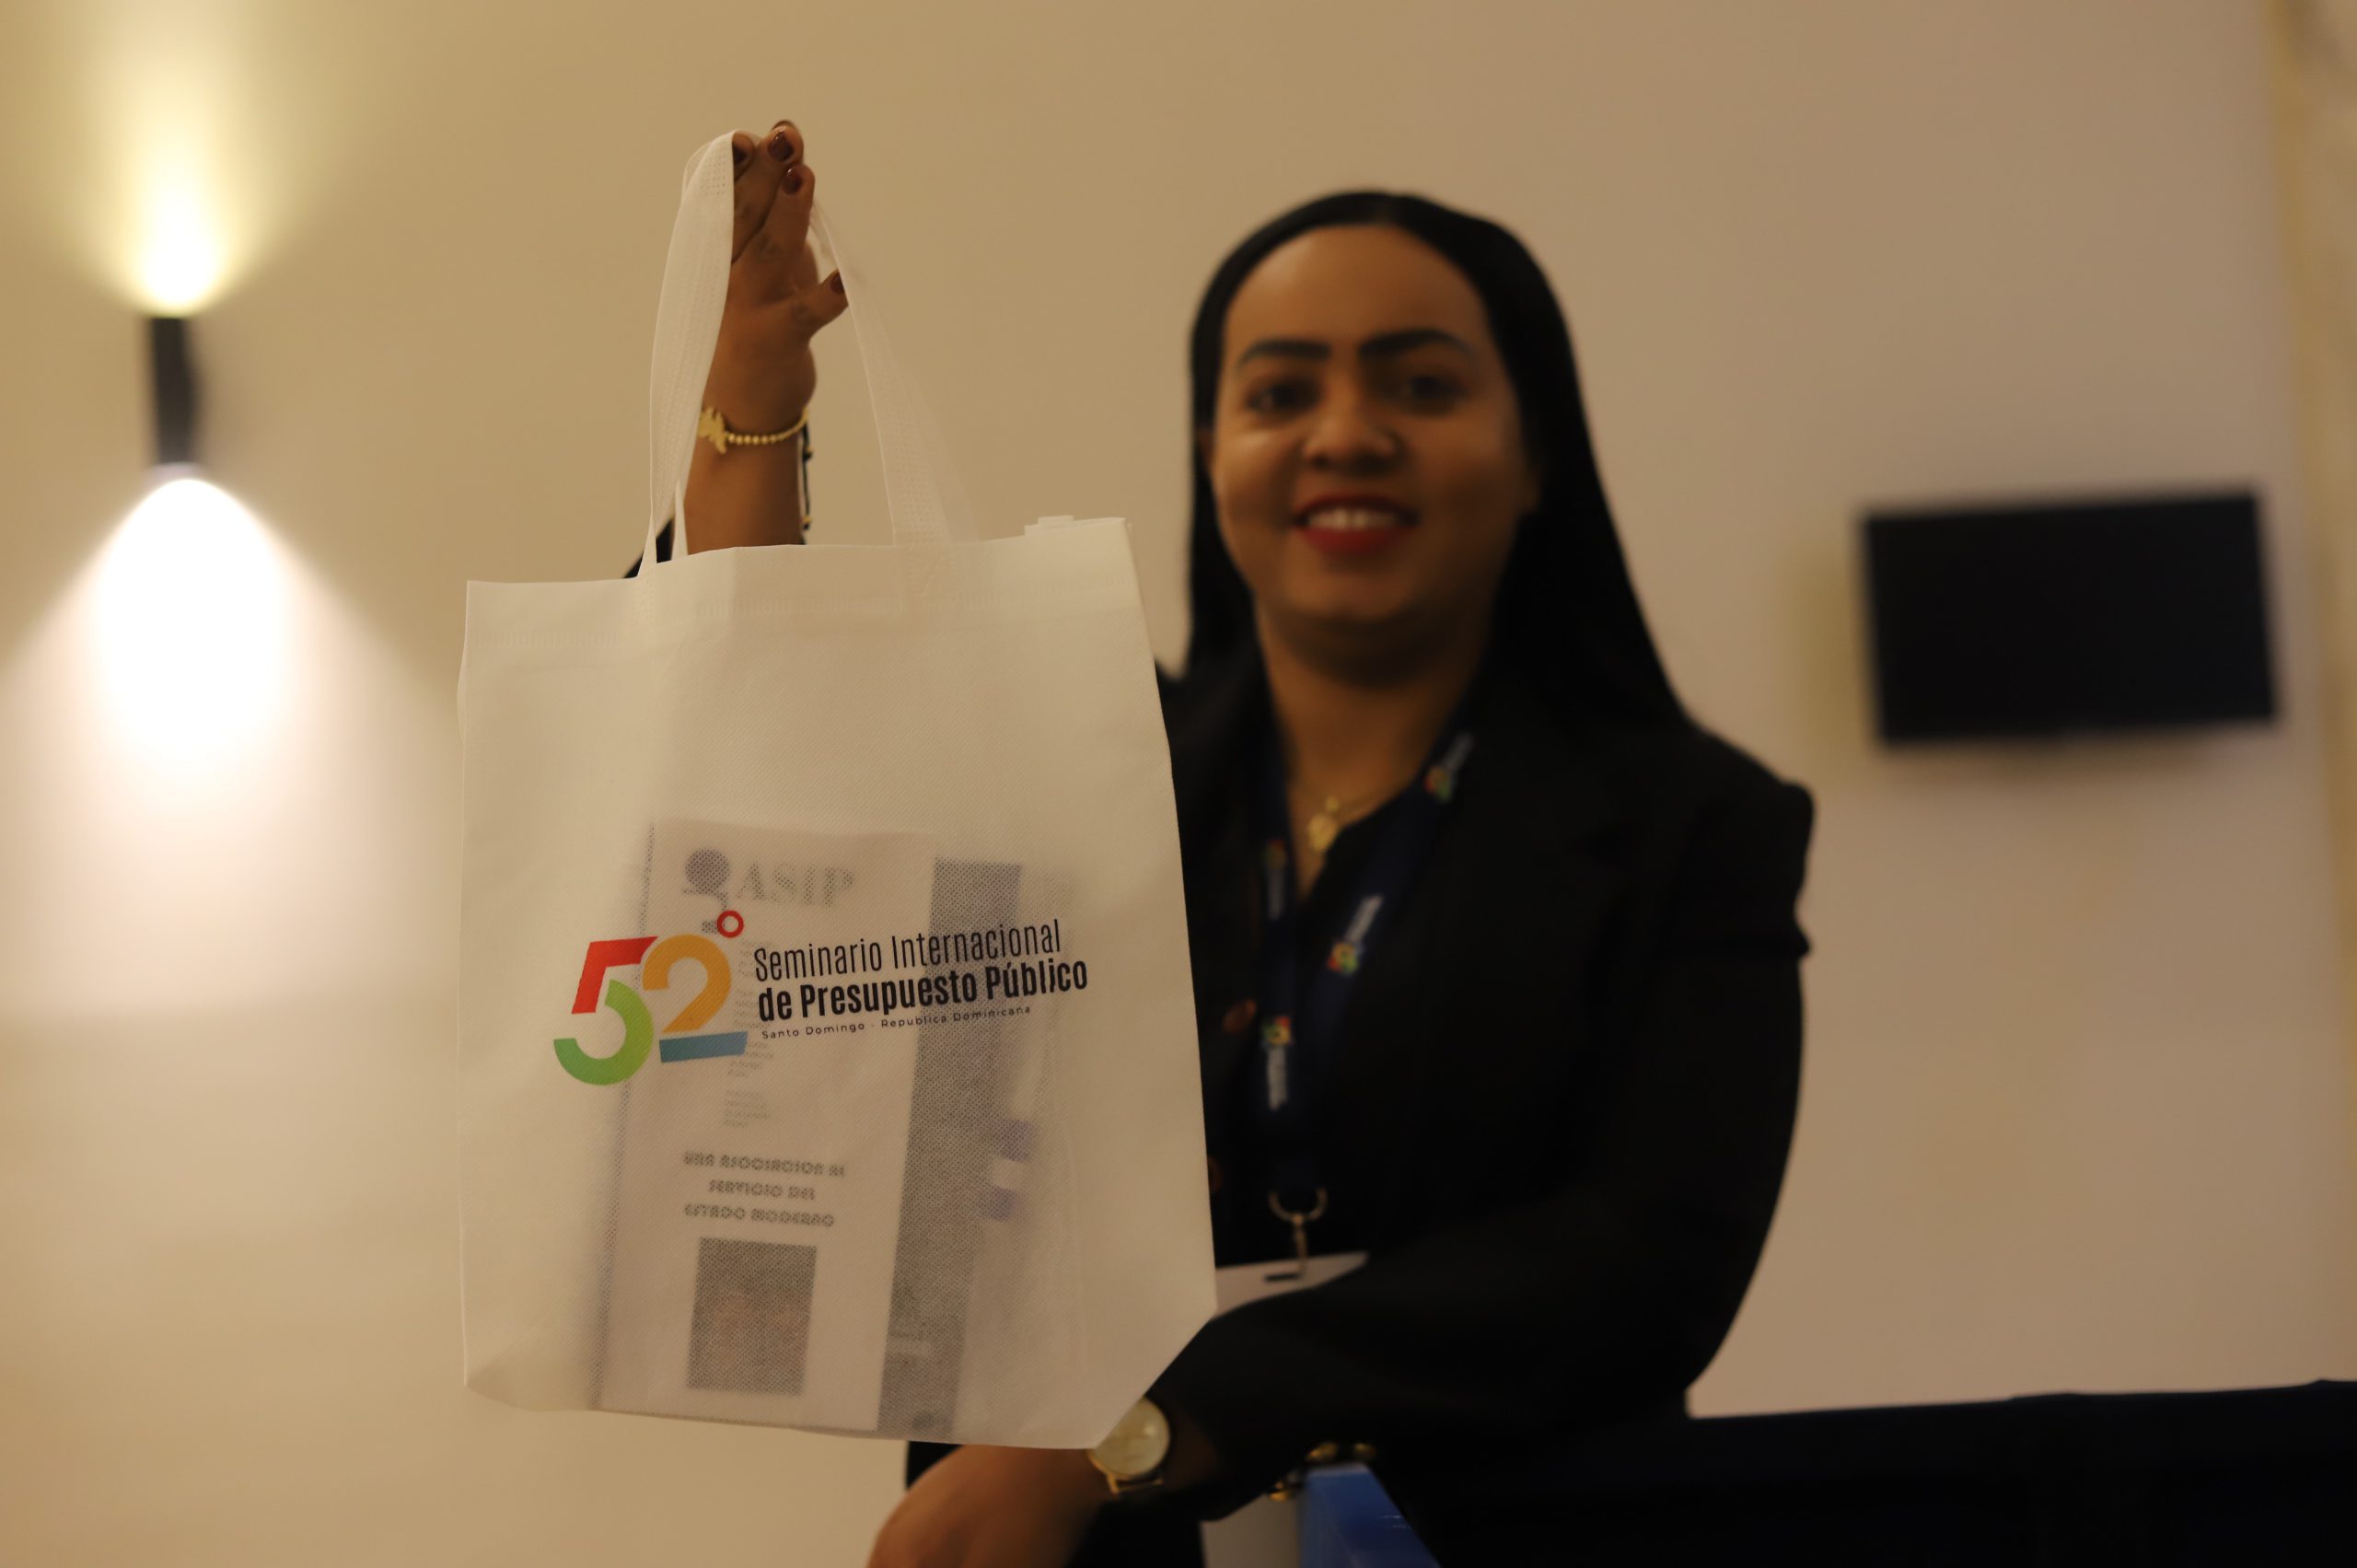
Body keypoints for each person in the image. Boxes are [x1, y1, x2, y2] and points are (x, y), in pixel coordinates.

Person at [634, 121, 1817, 1568]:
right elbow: (771, 766)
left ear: (1535, 456)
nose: (1345, 432)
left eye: (1422, 383)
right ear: (1214, 453)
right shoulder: (1074, 767)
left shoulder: (1694, 824)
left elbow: (1644, 1266)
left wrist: (1136, 1431)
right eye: (1280, 391)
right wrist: (751, 407)